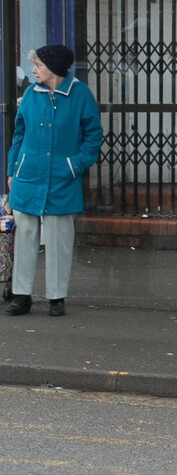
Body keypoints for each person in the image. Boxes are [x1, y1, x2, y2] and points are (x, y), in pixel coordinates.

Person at [5, 44, 104, 318]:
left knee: (60, 238)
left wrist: (74, 165)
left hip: (62, 178)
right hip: (28, 176)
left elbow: (94, 137)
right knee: (24, 236)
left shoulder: (80, 94)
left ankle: (56, 297)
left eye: (38, 65)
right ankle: (21, 295)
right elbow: (19, 133)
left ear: (54, 68)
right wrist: (13, 169)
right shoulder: (30, 94)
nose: (33, 70)